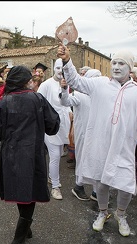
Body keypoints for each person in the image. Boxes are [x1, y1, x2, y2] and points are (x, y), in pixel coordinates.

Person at [57, 44, 137, 237]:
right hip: (101, 144)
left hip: (124, 145)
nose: (117, 67)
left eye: (122, 63)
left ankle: (121, 215)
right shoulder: (99, 84)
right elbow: (74, 81)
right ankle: (103, 213)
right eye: (114, 63)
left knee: (126, 185)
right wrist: (67, 60)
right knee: (101, 184)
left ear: (130, 68)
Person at [0, 65, 60, 244]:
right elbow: (53, 125)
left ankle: (25, 229)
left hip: (11, 154)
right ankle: (18, 239)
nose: (31, 80)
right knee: (29, 192)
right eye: (29, 78)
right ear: (24, 80)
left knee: (22, 191)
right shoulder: (37, 99)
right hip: (32, 153)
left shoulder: (3, 102)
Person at [59, 69, 101, 201]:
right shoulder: (79, 94)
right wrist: (65, 90)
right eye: (95, 78)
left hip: (97, 133)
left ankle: (96, 191)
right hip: (83, 133)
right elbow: (65, 102)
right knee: (82, 159)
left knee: (96, 160)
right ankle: (78, 186)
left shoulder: (101, 96)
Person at [37, 58, 71, 200]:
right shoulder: (46, 85)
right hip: (50, 127)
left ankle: (52, 177)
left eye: (62, 69)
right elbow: (37, 102)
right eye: (58, 68)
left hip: (63, 125)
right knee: (55, 156)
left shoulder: (65, 84)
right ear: (53, 69)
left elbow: (66, 101)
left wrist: (70, 110)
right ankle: (55, 187)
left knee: (57, 154)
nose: (60, 72)